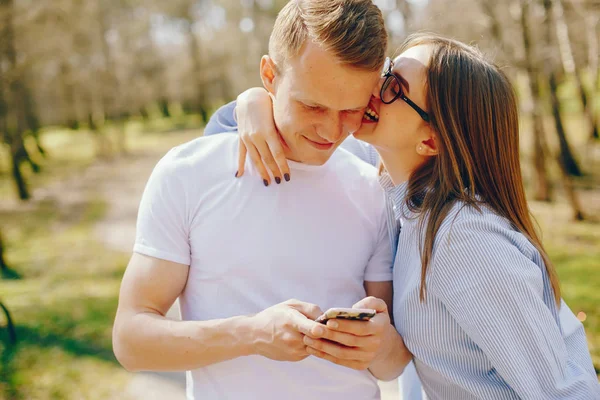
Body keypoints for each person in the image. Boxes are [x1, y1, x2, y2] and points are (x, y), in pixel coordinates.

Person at [210, 33, 600, 398]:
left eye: (394, 87)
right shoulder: (397, 187)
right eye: (387, 71)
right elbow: (240, 129)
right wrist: (253, 102)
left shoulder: (465, 238)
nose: (374, 90)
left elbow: (564, 392)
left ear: (430, 140)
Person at [112, 1, 412, 399]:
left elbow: (389, 365)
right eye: (312, 105)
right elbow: (131, 341)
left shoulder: (373, 189)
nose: (330, 129)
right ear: (269, 75)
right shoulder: (187, 174)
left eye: (351, 111)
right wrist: (252, 334)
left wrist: (380, 343)